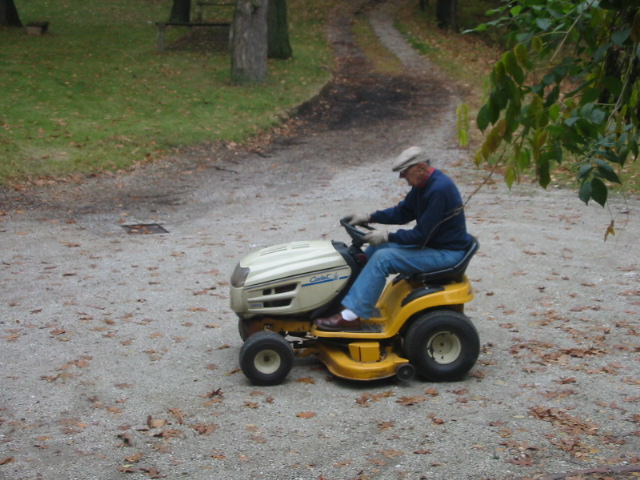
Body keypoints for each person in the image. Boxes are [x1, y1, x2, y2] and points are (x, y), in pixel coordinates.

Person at [314, 146, 472, 331]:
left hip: (447, 252)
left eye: (405, 173)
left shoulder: (439, 190)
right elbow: (403, 212)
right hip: (435, 246)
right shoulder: (424, 186)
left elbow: (423, 235)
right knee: (376, 249)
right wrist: (369, 217)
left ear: (420, 168)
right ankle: (352, 302)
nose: (403, 177)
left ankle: (351, 316)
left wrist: (387, 236)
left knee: (383, 258)